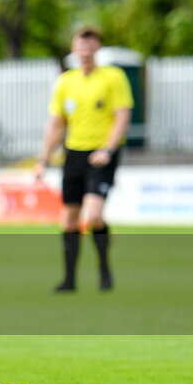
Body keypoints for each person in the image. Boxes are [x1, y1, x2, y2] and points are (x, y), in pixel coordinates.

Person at [34, 26, 133, 292]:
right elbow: (56, 124)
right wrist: (43, 159)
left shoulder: (113, 77)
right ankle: (69, 280)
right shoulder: (66, 82)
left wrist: (108, 150)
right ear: (74, 49)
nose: (85, 51)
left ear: (97, 48)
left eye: (90, 46)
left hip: (101, 154)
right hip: (73, 154)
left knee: (94, 215)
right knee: (69, 219)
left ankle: (104, 269)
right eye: (81, 46)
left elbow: (122, 116)